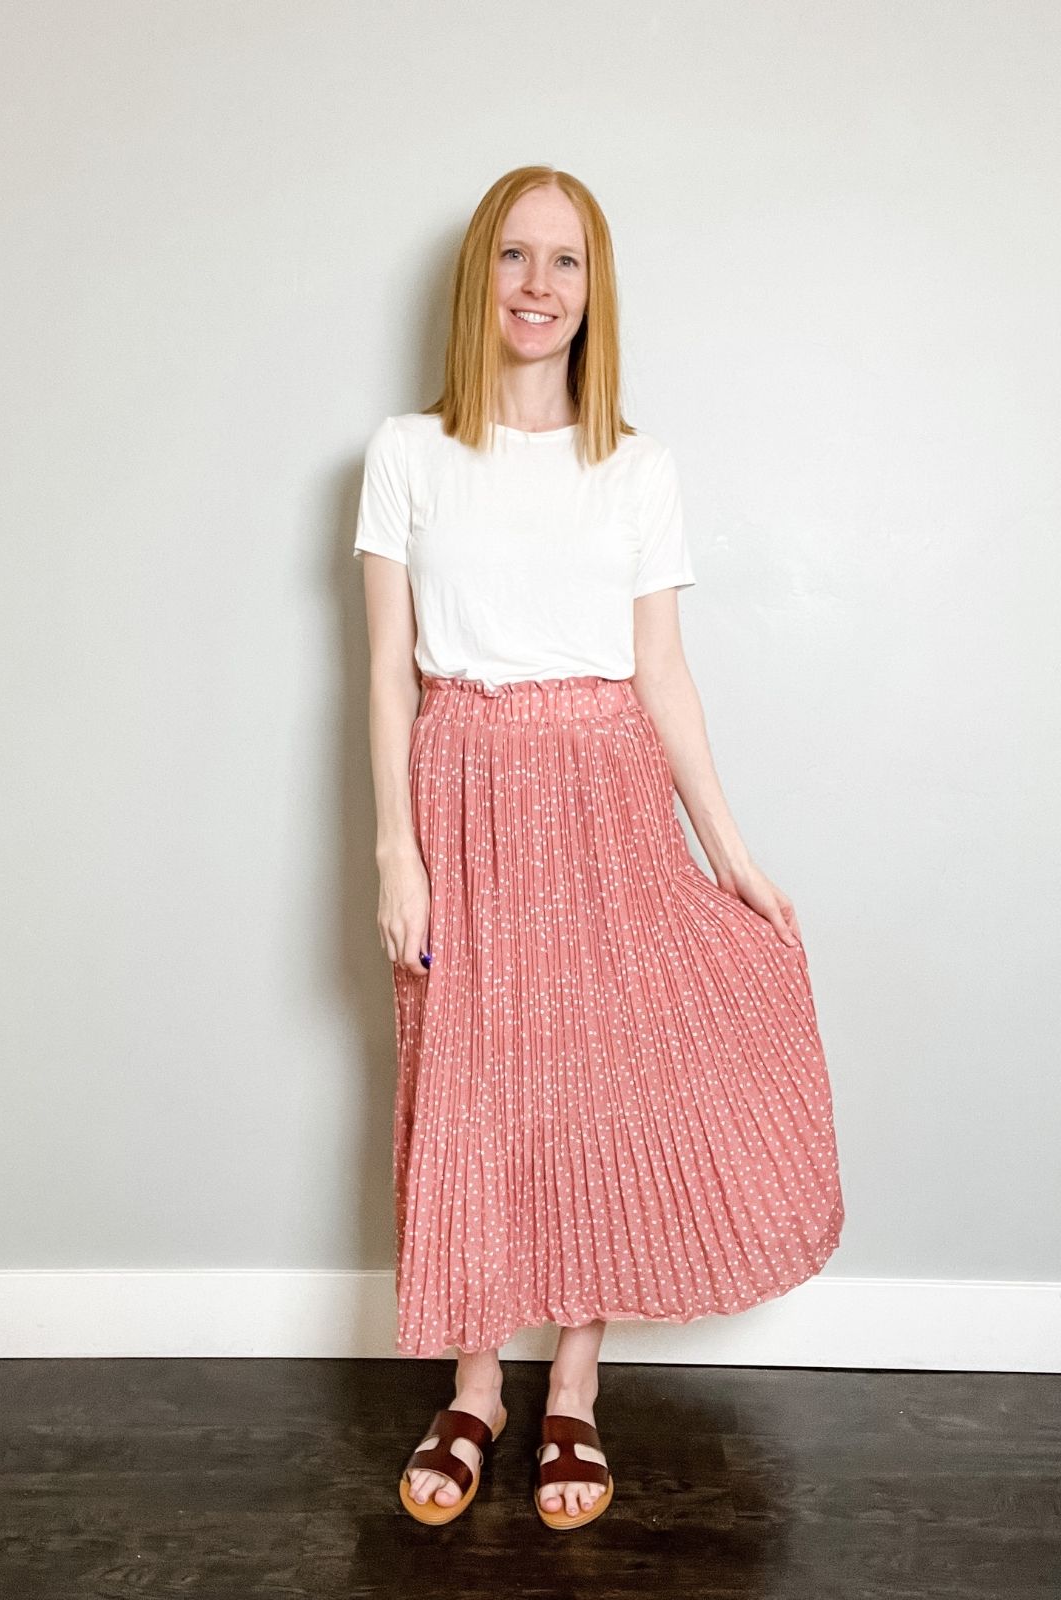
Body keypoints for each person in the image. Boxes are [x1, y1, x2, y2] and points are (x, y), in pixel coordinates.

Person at [353, 165, 845, 1531]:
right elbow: (387, 673)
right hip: (463, 781)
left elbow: (664, 676)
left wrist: (729, 847)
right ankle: (474, 1382)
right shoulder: (406, 454)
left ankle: (570, 1384)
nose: (538, 287)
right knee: (468, 1086)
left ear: (594, 289)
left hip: (603, 791)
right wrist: (398, 851)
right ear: (480, 278)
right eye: (514, 256)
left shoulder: (636, 465)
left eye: (566, 262)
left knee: (589, 1088)